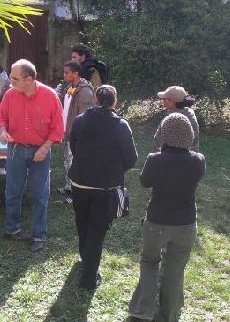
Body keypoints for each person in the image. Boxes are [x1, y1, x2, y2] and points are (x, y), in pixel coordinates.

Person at [128, 113, 206, 322]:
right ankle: (168, 314)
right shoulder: (198, 160)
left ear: (164, 135)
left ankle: (142, 310)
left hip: (157, 222)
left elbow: (144, 182)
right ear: (189, 135)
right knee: (175, 269)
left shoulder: (155, 159)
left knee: (150, 262)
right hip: (186, 225)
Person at [68, 85, 138, 290]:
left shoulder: (80, 121)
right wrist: (115, 171)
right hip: (105, 187)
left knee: (83, 224)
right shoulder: (121, 126)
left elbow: (74, 147)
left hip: (79, 182)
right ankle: (89, 278)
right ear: (114, 101)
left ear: (96, 100)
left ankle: (86, 261)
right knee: (97, 230)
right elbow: (131, 158)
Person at [0, 59, 64, 252]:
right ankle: (12, 228)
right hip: (16, 149)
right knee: (12, 191)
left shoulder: (50, 96)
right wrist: (2, 131)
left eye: (14, 78)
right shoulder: (10, 95)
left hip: (40, 150)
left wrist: (45, 148)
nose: (11, 81)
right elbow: (2, 118)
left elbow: (58, 128)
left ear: (29, 79)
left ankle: (39, 235)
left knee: (40, 194)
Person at [56, 60, 94, 203]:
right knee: (68, 160)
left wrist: (80, 135)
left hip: (77, 135)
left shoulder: (85, 91)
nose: (64, 75)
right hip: (68, 132)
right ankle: (68, 186)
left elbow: (86, 115)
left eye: (67, 73)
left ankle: (76, 193)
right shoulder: (70, 88)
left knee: (75, 163)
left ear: (76, 73)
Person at [153, 86, 199, 152]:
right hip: (190, 158)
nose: (163, 101)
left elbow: (157, 142)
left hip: (169, 159)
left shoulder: (170, 120)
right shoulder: (190, 113)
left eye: (164, 99)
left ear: (171, 101)